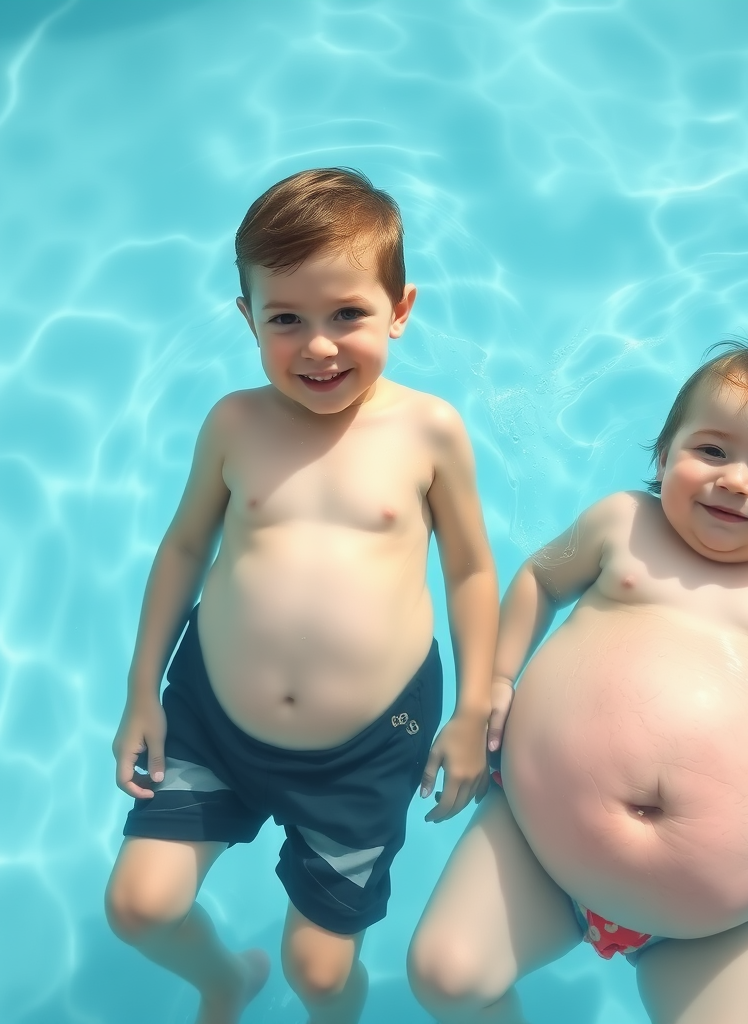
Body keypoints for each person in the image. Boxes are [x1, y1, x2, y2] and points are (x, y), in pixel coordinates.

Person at [409, 343, 748, 1024]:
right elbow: (540, 578)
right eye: (711, 451)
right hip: (538, 846)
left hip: (730, 919)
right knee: (445, 974)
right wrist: (495, 681)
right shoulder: (622, 524)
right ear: (663, 457)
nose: (734, 480)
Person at [105, 168, 498, 1024]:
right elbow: (184, 547)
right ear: (248, 318)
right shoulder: (235, 424)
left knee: (319, 972)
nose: (319, 347)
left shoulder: (428, 430)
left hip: (366, 746)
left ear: (400, 309)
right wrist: (142, 689)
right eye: (286, 319)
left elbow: (470, 568)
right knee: (139, 906)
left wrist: (473, 710)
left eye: (347, 315)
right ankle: (222, 980)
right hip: (213, 718)